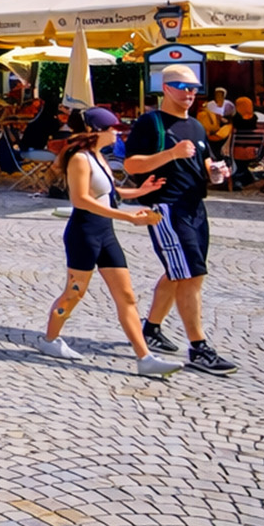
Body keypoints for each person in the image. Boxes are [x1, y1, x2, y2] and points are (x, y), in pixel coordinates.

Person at [36, 107, 185, 378]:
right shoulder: (80, 159)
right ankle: (49, 340)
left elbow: (109, 191)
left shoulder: (98, 157)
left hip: (106, 234)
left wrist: (140, 191)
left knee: (126, 296)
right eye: (113, 129)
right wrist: (128, 217)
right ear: (95, 131)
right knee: (73, 294)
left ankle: (145, 358)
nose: (117, 133)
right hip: (84, 234)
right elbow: (81, 199)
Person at [123, 65, 239, 376]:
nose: (189, 93)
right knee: (191, 275)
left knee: (179, 273)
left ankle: (150, 329)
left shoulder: (197, 127)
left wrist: (216, 172)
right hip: (167, 207)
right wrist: (170, 155)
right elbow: (132, 165)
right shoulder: (152, 123)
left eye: (193, 88)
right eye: (181, 86)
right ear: (166, 87)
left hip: (195, 207)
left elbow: (205, 165)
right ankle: (198, 348)